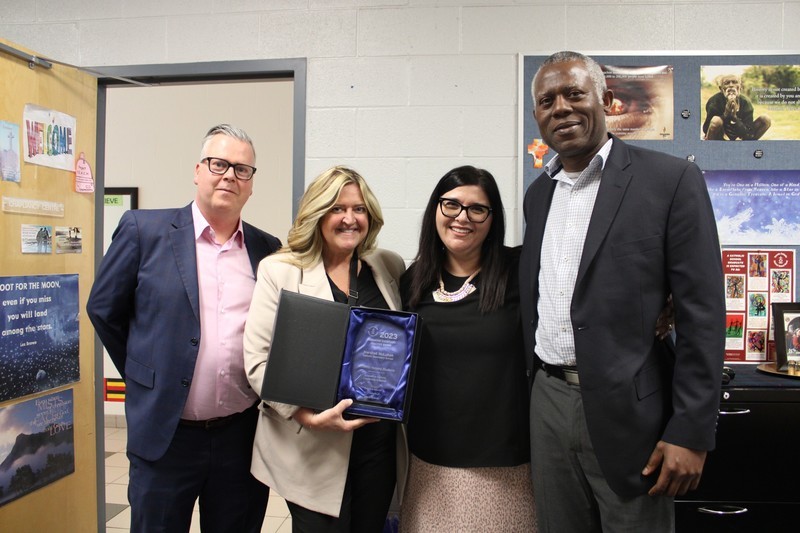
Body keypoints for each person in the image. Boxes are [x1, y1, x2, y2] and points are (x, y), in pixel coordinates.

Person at [521, 51, 725, 532]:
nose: (562, 108)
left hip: (630, 410)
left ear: (606, 100)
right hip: (547, 403)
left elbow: (703, 314)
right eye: (548, 100)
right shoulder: (539, 194)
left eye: (575, 93)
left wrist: (692, 431)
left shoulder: (670, 181)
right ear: (537, 116)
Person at [87, 124, 280, 532]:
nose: (229, 175)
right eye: (219, 163)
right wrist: (147, 375)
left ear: (251, 184)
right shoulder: (145, 231)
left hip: (239, 438)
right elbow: (104, 309)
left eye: (242, 169)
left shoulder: (267, 249)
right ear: (198, 170)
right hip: (165, 437)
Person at [243, 166, 407, 532]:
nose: (350, 219)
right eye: (337, 208)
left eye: (359, 209)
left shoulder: (387, 265)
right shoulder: (280, 271)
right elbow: (258, 363)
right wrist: (307, 416)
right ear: (318, 214)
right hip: (312, 446)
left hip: (377, 447)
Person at [399, 166, 536, 531]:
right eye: (451, 205)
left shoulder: (520, 270)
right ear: (435, 211)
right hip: (431, 462)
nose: (463, 218)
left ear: (493, 219)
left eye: (477, 209)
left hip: (507, 468)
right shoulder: (412, 282)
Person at [703, 73, 771, 140]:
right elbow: (706, 129)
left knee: (765, 119)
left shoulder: (745, 102)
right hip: (719, 137)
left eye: (734, 82)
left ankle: (748, 146)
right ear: (721, 89)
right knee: (716, 120)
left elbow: (749, 132)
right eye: (727, 83)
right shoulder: (714, 101)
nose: (731, 85)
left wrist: (735, 118)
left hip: (740, 133)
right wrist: (725, 115)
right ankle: (711, 148)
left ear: (740, 87)